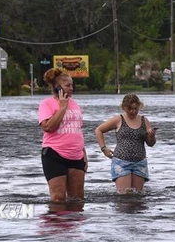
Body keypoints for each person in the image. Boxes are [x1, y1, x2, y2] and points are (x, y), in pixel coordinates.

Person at [38, 67, 88, 203]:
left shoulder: (75, 104)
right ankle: (57, 223)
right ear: (56, 87)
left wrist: (84, 154)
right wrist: (62, 107)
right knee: (58, 198)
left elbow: (77, 130)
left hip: (76, 155)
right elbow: (48, 127)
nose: (72, 88)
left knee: (77, 199)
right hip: (54, 154)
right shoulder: (46, 104)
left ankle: (74, 223)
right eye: (68, 85)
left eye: (72, 85)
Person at [95, 93, 156, 194]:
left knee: (137, 197)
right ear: (124, 107)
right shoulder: (118, 119)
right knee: (125, 196)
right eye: (130, 109)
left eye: (136, 109)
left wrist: (151, 136)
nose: (133, 111)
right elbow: (99, 130)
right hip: (121, 162)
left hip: (140, 163)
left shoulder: (144, 121)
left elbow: (151, 144)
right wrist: (104, 148)